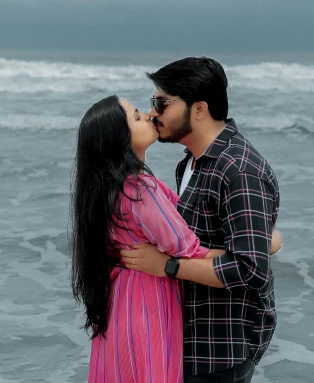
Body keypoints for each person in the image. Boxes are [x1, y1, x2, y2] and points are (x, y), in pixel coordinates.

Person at [120, 57, 280, 383]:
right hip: (190, 340)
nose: (153, 113)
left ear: (199, 109)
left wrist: (166, 265)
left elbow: (250, 269)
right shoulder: (192, 163)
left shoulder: (238, 169)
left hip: (222, 347)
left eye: (161, 103)